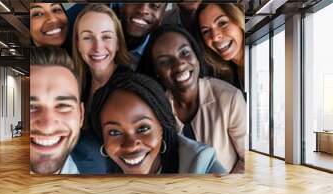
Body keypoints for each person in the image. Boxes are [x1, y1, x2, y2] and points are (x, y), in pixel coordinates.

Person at [139, 25, 245, 173]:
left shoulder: (229, 98)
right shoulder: (156, 110)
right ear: (156, 71)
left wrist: (225, 190)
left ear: (196, 55)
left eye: (185, 53)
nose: (179, 64)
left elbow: (247, 159)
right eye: (164, 61)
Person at [90, 72, 226, 174]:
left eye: (143, 128)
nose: (131, 146)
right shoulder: (91, 170)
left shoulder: (201, 166)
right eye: (114, 132)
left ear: (161, 126)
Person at [30, 47, 107, 174]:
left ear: (81, 116)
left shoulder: (101, 167)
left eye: (63, 106)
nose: (47, 127)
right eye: (31, 106)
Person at [72, 4, 131, 121]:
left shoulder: (129, 87)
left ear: (118, 43)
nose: (97, 47)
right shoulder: (77, 83)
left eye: (106, 37)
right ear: (78, 44)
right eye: (87, 37)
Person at [196, 3, 245, 93]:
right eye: (206, 31)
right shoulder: (223, 78)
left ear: (239, 18)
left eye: (222, 23)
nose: (214, 37)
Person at [118, 3, 167, 70]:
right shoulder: (100, 30)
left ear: (161, 17)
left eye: (155, 6)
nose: (143, 10)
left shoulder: (160, 55)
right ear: (122, 5)